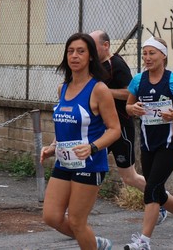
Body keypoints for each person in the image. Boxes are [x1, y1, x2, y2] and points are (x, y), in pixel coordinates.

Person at [40, 32, 121, 250]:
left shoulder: (99, 89)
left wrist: (93, 147)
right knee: (52, 217)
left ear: (91, 57)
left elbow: (115, 130)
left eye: (81, 51)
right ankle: (95, 243)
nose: (74, 56)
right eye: (70, 51)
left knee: (76, 221)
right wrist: (53, 146)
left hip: (90, 163)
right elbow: (66, 126)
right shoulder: (62, 88)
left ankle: (90, 244)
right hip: (65, 162)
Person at [123, 36, 173, 250]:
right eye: (144, 54)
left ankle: (144, 241)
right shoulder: (138, 80)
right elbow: (128, 106)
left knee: (152, 189)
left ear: (163, 55)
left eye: (152, 53)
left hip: (170, 143)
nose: (147, 58)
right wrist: (133, 109)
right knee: (155, 189)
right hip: (148, 144)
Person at [89, 30, 169, 225]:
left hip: (120, 127)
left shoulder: (117, 64)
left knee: (129, 177)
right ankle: (77, 213)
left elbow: (129, 92)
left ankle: (161, 200)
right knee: (88, 166)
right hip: (100, 127)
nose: (90, 50)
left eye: (93, 45)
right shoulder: (93, 66)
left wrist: (104, 92)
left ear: (105, 45)